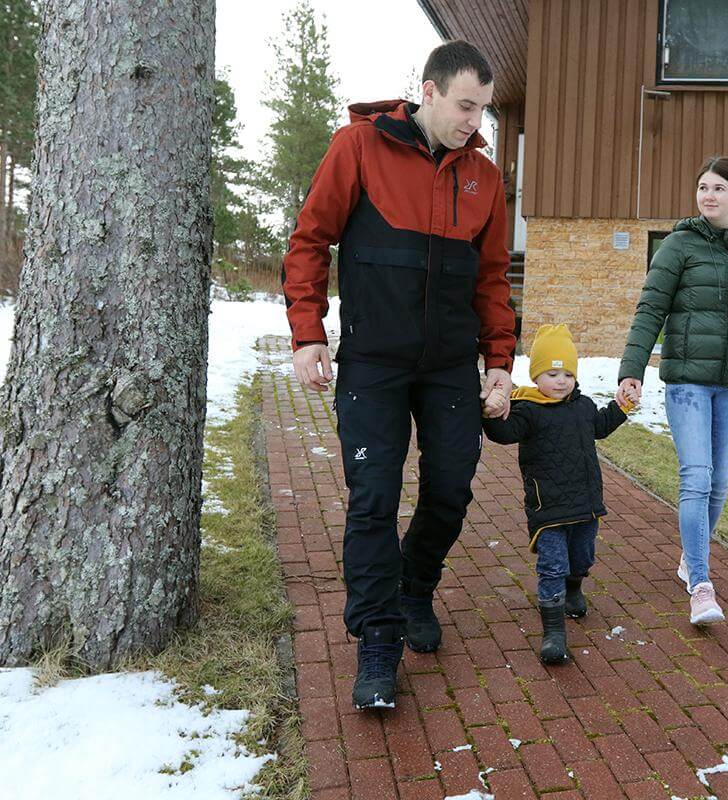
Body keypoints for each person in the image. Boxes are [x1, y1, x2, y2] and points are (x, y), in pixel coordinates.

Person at [281, 40, 516, 710]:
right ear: (430, 91)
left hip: (447, 368)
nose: (476, 121)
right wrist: (307, 333)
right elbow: (310, 240)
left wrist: (498, 363)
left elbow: (494, 280)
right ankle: (379, 636)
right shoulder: (358, 147)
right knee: (374, 499)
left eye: (485, 110)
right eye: (466, 105)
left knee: (449, 490)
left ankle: (415, 585)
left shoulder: (486, 179)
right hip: (373, 365)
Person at [616, 156, 728, 626]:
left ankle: (692, 556)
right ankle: (701, 584)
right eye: (703, 186)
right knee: (697, 477)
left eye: (719, 188)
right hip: (687, 380)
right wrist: (633, 369)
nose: (709, 195)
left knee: (720, 481)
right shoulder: (678, 246)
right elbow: (650, 310)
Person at [482, 325, 631, 664]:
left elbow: (601, 425)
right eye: (552, 373)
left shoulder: (583, 406)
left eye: (567, 374)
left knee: (582, 558)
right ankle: (553, 631)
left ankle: (575, 587)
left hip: (586, 505)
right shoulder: (526, 410)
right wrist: (490, 415)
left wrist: (620, 408)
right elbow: (504, 433)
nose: (561, 380)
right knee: (552, 566)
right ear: (536, 376)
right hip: (548, 507)